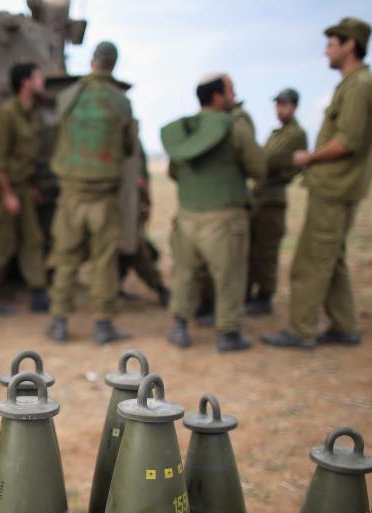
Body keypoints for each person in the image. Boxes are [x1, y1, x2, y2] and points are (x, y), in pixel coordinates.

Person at [263, 17, 372, 348]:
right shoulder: (357, 83)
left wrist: (309, 158)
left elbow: (348, 141)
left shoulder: (359, 85)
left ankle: (301, 330)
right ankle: (344, 325)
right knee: (333, 257)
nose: (326, 50)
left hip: (334, 187)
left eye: (331, 43)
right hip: (340, 187)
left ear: (349, 45)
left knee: (311, 261)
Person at [162, 73, 266, 352]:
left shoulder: (185, 131)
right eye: (231, 90)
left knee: (184, 274)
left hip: (186, 218)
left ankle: (179, 327)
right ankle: (229, 333)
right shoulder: (234, 127)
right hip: (224, 219)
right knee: (229, 276)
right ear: (217, 96)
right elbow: (259, 168)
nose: (234, 96)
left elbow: (174, 170)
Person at [45, 41, 135, 344]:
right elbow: (129, 147)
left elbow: (57, 137)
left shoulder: (68, 97)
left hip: (70, 194)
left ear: (93, 61)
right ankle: (103, 325)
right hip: (104, 197)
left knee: (65, 256)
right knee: (104, 260)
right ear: (113, 64)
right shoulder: (120, 102)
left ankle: (59, 321)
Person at [0, 62, 49, 315]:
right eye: (38, 78)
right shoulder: (8, 113)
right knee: (2, 244)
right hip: (1, 190)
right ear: (25, 82)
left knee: (33, 239)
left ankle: (39, 292)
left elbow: (29, 157)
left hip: (22, 188)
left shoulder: (33, 114)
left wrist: (28, 188)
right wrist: (7, 194)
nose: (43, 82)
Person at [247, 88, 308, 315]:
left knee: (267, 251)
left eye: (284, 105)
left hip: (273, 200)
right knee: (255, 250)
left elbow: (268, 160)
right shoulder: (277, 133)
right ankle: (254, 293)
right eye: (278, 105)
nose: (280, 109)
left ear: (294, 106)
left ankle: (265, 296)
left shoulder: (295, 134)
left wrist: (254, 160)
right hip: (260, 198)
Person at [118, 140, 171, 307]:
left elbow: (142, 176)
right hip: (116, 205)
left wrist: (144, 199)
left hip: (128, 204)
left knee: (134, 248)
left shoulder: (133, 143)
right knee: (132, 250)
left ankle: (159, 288)